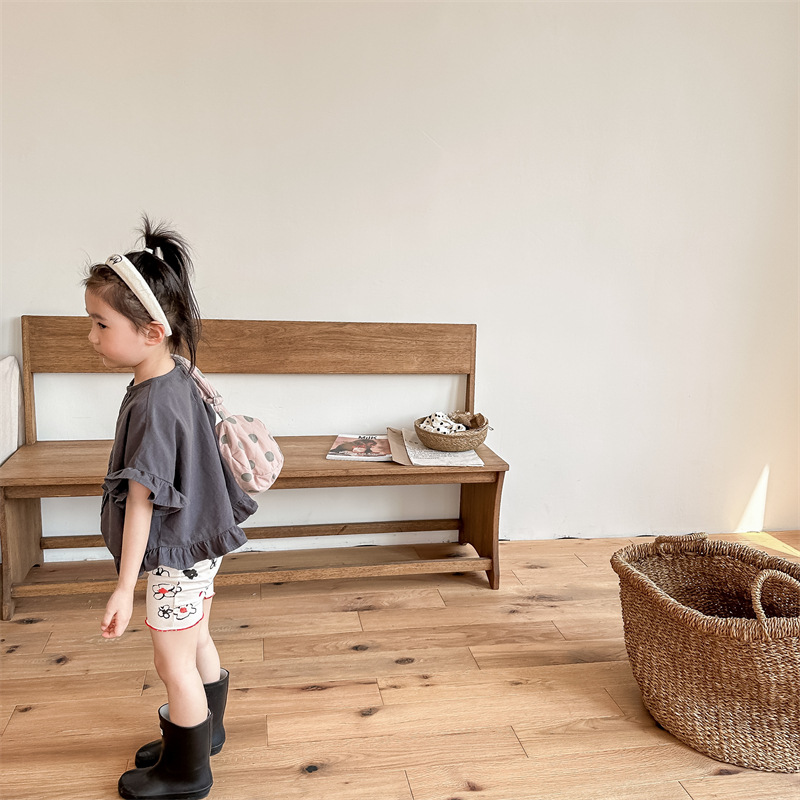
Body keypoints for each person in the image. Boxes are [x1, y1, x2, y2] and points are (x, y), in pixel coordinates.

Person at [84, 218, 257, 800]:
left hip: (175, 554)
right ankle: (203, 735)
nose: (91, 336)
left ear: (152, 331)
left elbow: (142, 501)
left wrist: (123, 588)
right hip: (201, 540)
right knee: (196, 639)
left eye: (101, 323)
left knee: (172, 663)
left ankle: (186, 773)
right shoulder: (177, 374)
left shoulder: (155, 403)